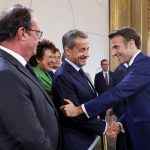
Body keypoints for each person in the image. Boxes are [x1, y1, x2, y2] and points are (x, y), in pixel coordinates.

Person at [60, 27, 150, 150]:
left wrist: (78, 110)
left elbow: (117, 93)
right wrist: (120, 124)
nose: (113, 53)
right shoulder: (134, 67)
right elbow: (133, 104)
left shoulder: (145, 64)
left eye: (116, 47)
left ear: (131, 44)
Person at [0, 4, 60, 150]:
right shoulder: (6, 73)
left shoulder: (18, 65)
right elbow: (30, 137)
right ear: (22, 33)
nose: (39, 40)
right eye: (37, 33)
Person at [52, 29, 106, 150]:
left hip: (87, 138)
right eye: (82, 50)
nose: (87, 54)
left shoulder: (78, 69)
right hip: (76, 142)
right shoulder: (62, 76)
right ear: (67, 51)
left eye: (87, 49)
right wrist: (104, 127)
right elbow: (74, 115)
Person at [94, 59, 113, 150]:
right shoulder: (98, 76)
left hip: (112, 101)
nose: (106, 66)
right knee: (102, 120)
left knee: (112, 120)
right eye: (104, 65)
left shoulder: (113, 74)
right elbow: (96, 88)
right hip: (102, 102)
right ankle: (103, 140)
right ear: (101, 66)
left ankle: (111, 140)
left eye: (107, 64)